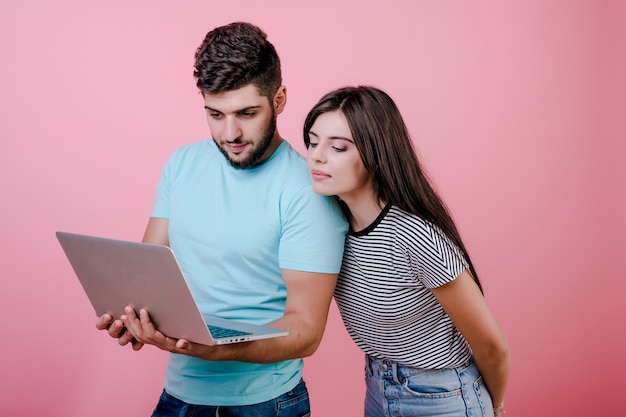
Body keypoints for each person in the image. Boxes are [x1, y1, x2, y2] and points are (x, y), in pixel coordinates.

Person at [95, 22, 347, 416]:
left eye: (247, 113)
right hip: (177, 397)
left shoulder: (307, 190)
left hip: (265, 403)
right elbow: (148, 269)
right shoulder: (181, 164)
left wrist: (216, 348)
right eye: (215, 114)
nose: (230, 133)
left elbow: (306, 332)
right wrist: (132, 315)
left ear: (279, 99)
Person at [303, 85, 510, 417]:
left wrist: (494, 406)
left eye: (338, 147)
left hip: (444, 396)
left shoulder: (414, 235)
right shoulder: (329, 225)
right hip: (377, 387)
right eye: (312, 142)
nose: (316, 155)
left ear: (376, 153)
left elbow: (493, 347)